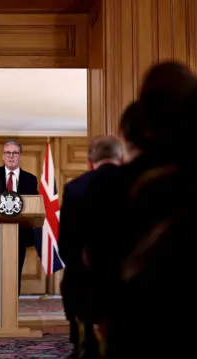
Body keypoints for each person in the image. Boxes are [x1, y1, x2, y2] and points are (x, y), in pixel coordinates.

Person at [59, 135, 122, 359]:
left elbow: (65, 243)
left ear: (89, 160)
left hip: (86, 276)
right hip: (129, 274)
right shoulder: (137, 180)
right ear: (121, 158)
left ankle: (82, 345)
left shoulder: (75, 188)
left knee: (71, 283)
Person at [0, 139, 40, 327]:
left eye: (14, 153)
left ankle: (10, 320)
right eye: (7, 153)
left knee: (13, 277)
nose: (10, 156)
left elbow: (34, 203)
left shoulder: (30, 179)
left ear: (20, 156)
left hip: (18, 237)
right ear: (3, 155)